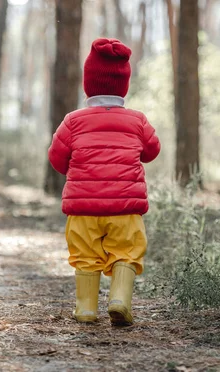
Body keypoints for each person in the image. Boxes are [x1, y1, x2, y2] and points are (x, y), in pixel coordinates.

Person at [48, 38, 161, 326]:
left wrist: (76, 170)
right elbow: (152, 151)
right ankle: (119, 300)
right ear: (124, 85)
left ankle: (86, 309)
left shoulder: (73, 121)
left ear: (88, 84)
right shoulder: (137, 121)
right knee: (127, 251)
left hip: (83, 209)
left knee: (85, 255)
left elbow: (57, 158)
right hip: (125, 209)